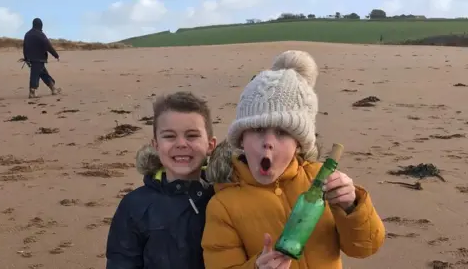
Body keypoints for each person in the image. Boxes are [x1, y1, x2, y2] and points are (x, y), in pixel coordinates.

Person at [201, 50, 386, 269]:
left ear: (299, 143)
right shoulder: (223, 205)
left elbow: (365, 247)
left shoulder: (321, 181)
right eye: (258, 129)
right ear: (241, 138)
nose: (268, 142)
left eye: (282, 132)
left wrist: (351, 206)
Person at [105, 91, 217, 269]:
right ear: (156, 145)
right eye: (169, 136)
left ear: (211, 145)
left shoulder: (221, 198)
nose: (181, 144)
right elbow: (121, 262)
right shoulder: (135, 206)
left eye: (192, 135)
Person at [21, 17, 61, 98]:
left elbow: (25, 47)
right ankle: (32, 91)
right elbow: (48, 46)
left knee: (43, 73)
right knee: (35, 74)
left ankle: (53, 88)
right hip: (39, 58)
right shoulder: (41, 35)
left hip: (31, 58)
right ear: (40, 25)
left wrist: (26, 58)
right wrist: (55, 55)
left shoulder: (27, 34)